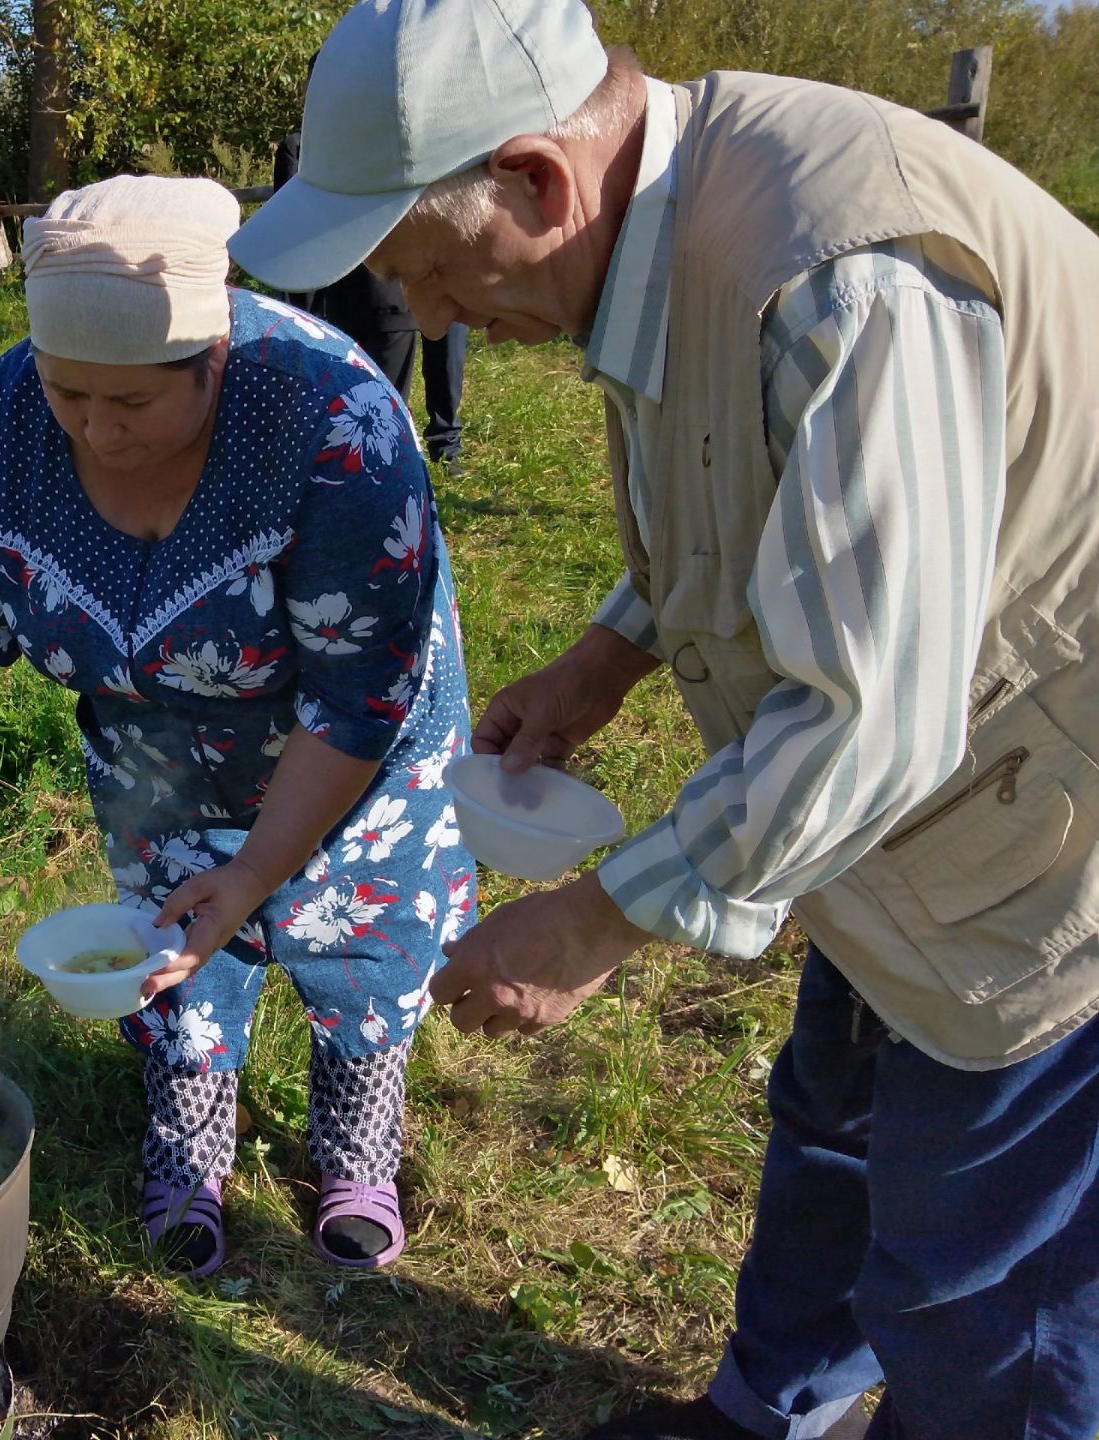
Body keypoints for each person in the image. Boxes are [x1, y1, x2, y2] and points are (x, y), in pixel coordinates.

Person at [229, 1, 1099, 1437]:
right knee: (832, 1128)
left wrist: (596, 923)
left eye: (429, 271)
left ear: (533, 181)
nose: (430, 319)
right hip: (909, 818)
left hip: (1043, 833)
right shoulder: (662, 217)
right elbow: (756, 498)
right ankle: (776, 1410)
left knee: (984, 1273)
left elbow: (874, 723)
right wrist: (607, 658)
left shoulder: (838, 276)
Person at [0, 173, 477, 1278]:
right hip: (158, 752)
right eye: (71, 394)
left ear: (213, 361)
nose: (94, 430)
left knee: (355, 930)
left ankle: (356, 1138)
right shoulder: (9, 416)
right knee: (171, 944)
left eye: (130, 404)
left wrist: (264, 866)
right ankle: (190, 1137)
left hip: (347, 748)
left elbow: (358, 695)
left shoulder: (334, 422)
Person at [274, 85, 468, 465]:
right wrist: (306, 309)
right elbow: (293, 226)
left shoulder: (414, 133)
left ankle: (447, 446)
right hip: (372, 288)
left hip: (439, 266)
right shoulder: (301, 147)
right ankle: (384, 459)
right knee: (383, 391)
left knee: (446, 360)